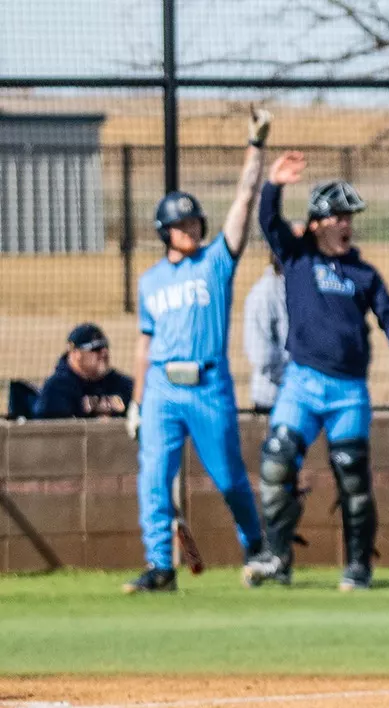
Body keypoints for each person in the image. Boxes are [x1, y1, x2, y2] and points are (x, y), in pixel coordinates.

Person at [245, 153, 389, 592]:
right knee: (278, 465)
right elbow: (267, 221)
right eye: (339, 216)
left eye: (350, 217)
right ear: (318, 222)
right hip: (301, 383)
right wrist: (274, 184)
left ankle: (358, 567)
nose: (347, 225)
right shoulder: (297, 257)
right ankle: (276, 557)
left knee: (352, 476)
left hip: (348, 391)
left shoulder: (363, 273)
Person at [123, 109, 272, 594]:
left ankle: (256, 547)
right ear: (164, 230)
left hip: (209, 383)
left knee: (229, 478)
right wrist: (138, 400)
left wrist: (255, 145)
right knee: (153, 478)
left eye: (194, 220)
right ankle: (160, 567)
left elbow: (244, 200)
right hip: (164, 386)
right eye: (181, 223)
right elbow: (144, 345)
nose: (191, 227)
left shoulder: (216, 263)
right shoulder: (150, 281)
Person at [34, 324, 133, 420]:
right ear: (75, 353)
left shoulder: (122, 384)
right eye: (96, 348)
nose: (104, 352)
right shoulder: (58, 389)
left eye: (105, 346)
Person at [243, 248, 290, 412]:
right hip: (273, 399)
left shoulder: (302, 289)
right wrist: (296, 378)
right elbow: (260, 355)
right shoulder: (264, 293)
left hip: (302, 398)